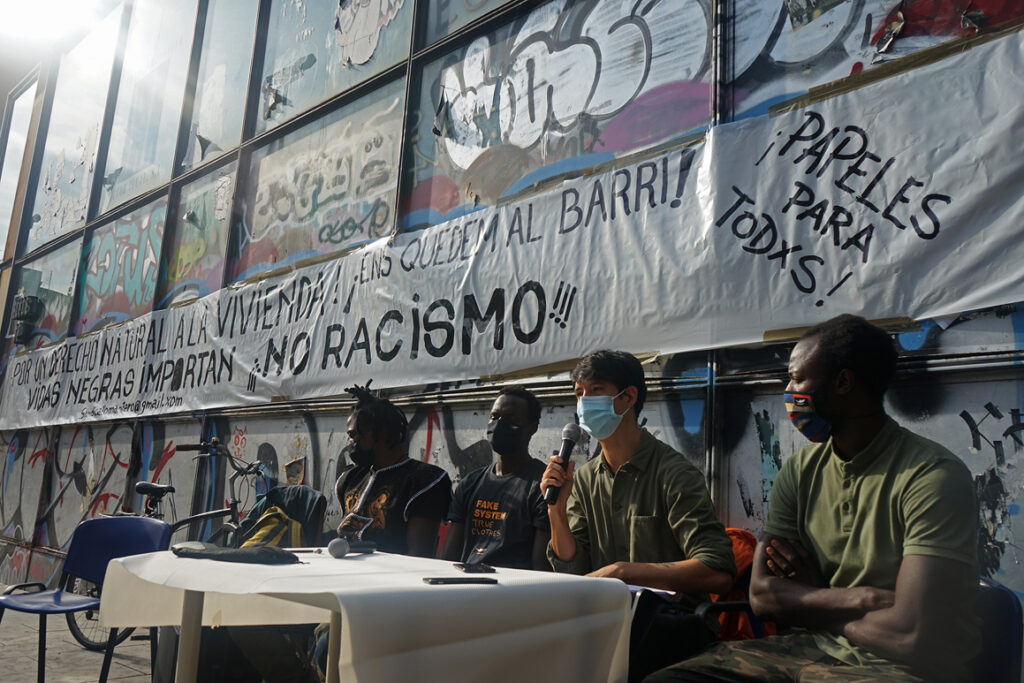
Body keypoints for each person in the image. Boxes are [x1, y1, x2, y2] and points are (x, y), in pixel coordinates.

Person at [644, 314, 980, 682]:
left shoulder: (932, 476)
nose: (789, 391)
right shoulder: (801, 471)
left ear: (843, 382)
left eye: (797, 378)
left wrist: (812, 599)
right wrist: (863, 599)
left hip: (893, 669)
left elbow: (910, 635)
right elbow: (763, 596)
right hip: (803, 652)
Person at [541, 349, 736, 680]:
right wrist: (556, 511)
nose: (584, 403)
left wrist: (625, 572)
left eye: (595, 391)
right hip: (605, 626)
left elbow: (717, 570)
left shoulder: (674, 473)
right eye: (579, 394)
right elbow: (575, 569)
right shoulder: (586, 478)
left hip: (667, 630)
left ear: (627, 397)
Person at [335, 383, 452, 556]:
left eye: (354, 435)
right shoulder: (350, 479)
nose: (351, 443)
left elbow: (419, 555)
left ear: (380, 433)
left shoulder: (423, 481)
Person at [442, 385, 550, 570]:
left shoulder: (543, 485)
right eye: (494, 417)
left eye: (510, 418)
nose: (498, 424)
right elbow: (449, 557)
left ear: (532, 428)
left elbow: (541, 565)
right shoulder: (470, 482)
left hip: (512, 592)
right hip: (464, 587)